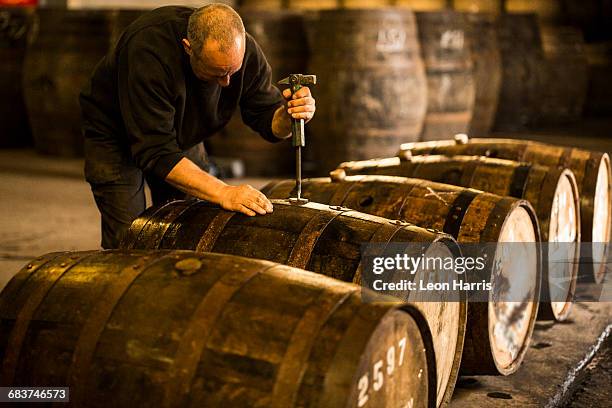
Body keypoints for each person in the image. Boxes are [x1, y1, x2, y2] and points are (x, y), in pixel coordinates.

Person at [79, 3, 316, 249]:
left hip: (181, 134)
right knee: (129, 239)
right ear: (188, 48)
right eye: (216, 73)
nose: (225, 83)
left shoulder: (245, 53)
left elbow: (267, 120)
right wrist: (224, 192)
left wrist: (288, 116)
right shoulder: (149, 51)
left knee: (187, 230)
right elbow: (155, 151)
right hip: (115, 133)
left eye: (231, 72)